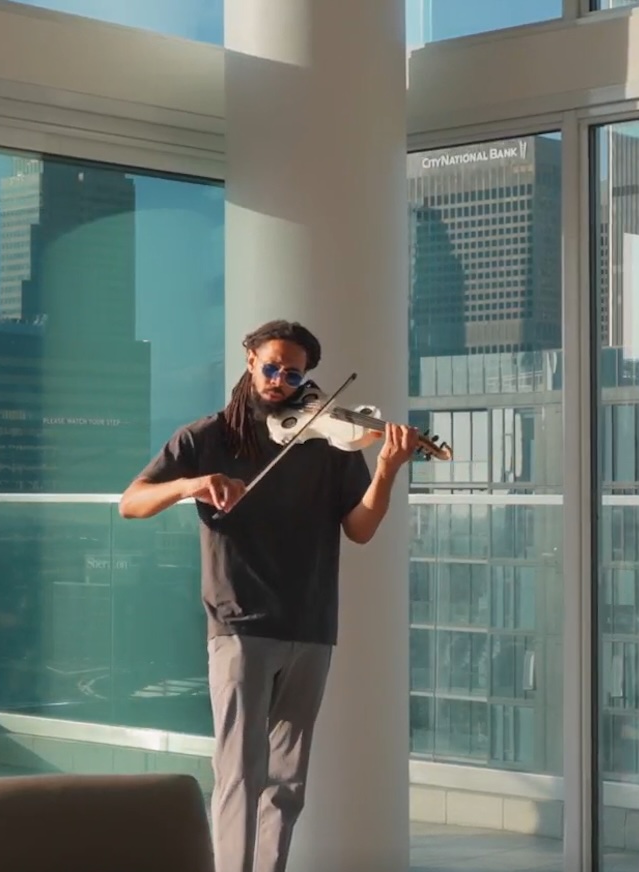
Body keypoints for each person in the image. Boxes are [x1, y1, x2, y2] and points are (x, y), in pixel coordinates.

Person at [119, 320, 421, 872]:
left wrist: (386, 472)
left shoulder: (328, 439)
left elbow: (360, 528)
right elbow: (131, 502)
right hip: (239, 623)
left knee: (287, 781)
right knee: (239, 773)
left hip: (310, 623)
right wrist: (192, 484)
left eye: (295, 373)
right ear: (250, 358)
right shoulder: (206, 437)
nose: (281, 380)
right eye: (273, 366)